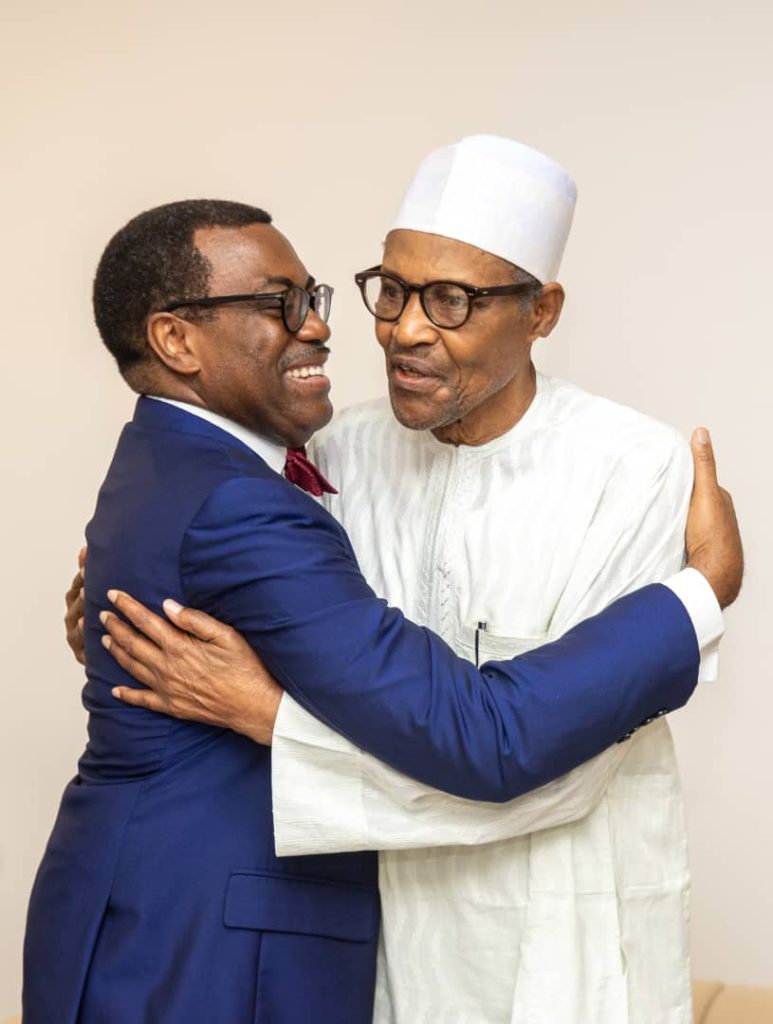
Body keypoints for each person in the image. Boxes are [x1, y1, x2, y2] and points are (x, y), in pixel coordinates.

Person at [83, 138, 743, 1024]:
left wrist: (273, 719)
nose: (405, 329)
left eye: (451, 300)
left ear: (540, 312)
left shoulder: (637, 471)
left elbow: (551, 775)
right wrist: (122, 609)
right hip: (378, 956)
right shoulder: (334, 453)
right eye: (390, 291)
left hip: (565, 947)